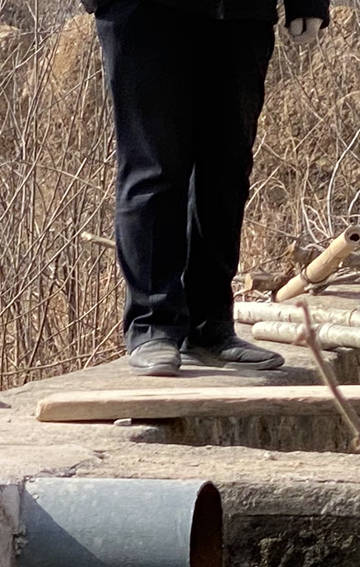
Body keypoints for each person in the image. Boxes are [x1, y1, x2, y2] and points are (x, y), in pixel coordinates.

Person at [91, 0, 329, 375]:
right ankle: (153, 326)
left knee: (226, 170)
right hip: (142, 13)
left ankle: (210, 327)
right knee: (153, 167)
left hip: (238, 14)